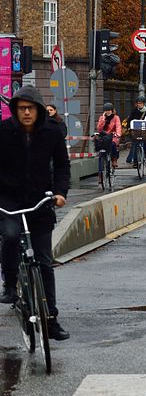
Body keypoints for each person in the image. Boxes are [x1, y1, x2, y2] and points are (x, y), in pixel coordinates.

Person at [0, 86, 70, 340]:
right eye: (21, 109)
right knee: (9, 236)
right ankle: (9, 284)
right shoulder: (4, 132)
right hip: (9, 199)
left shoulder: (51, 133)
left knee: (43, 261)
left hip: (40, 201)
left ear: (39, 110)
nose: (26, 113)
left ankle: (51, 318)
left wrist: (61, 193)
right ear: (15, 110)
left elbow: (62, 166)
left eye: (30, 108)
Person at [126, 96, 146, 165]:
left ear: (143, 104)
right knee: (135, 144)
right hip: (136, 130)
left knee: (145, 143)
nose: (139, 105)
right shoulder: (134, 110)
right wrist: (128, 127)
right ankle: (135, 161)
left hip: (144, 130)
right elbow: (130, 119)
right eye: (138, 103)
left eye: (140, 103)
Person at [96, 103, 122, 168]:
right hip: (104, 136)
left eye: (109, 110)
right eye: (106, 110)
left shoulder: (116, 118)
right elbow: (99, 129)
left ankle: (114, 159)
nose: (108, 112)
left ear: (112, 110)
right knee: (100, 144)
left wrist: (118, 134)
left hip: (112, 136)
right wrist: (103, 119)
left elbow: (118, 126)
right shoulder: (102, 118)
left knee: (113, 144)